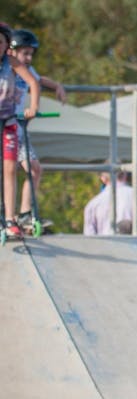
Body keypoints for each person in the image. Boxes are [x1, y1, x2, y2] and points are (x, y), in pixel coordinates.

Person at [9, 29, 66, 233]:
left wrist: (57, 86)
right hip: (5, 124)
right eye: (25, 53)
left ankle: (24, 214)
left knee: (34, 168)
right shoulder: (6, 69)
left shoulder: (28, 70)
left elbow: (38, 82)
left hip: (18, 128)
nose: (29, 58)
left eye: (31, 54)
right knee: (7, 172)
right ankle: (7, 216)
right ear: (12, 52)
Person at [0, 22, 39, 239]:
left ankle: (10, 217)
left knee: (10, 169)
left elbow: (34, 82)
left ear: (7, 45)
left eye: (0, 43)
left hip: (8, 122)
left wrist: (33, 107)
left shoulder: (12, 62)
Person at [83, 170, 137, 236]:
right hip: (135, 250)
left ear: (103, 178)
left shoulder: (93, 204)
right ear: (125, 174)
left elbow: (89, 238)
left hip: (105, 250)